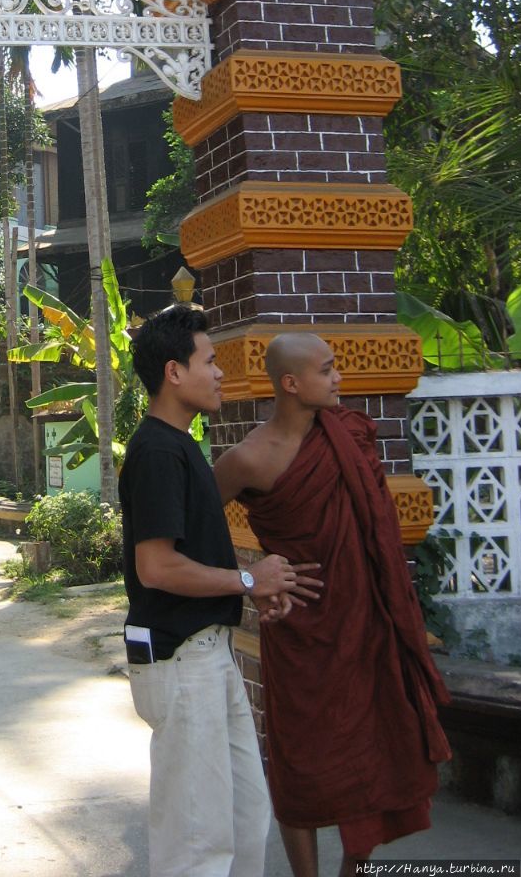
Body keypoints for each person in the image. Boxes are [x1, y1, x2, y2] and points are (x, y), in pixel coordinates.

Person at [213, 333, 451, 877]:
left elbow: (375, 525)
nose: (339, 377)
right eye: (327, 369)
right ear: (291, 384)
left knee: (375, 748)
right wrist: (251, 581)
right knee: (300, 763)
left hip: (367, 622)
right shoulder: (248, 458)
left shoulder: (347, 434)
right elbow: (191, 523)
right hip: (300, 631)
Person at [119, 305, 322, 877]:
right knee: (197, 838)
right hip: (182, 660)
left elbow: (194, 558)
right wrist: (250, 579)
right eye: (209, 361)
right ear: (173, 372)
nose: (220, 373)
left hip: (211, 654)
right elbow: (157, 567)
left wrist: (251, 590)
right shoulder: (158, 451)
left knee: (242, 815)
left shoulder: (181, 446)